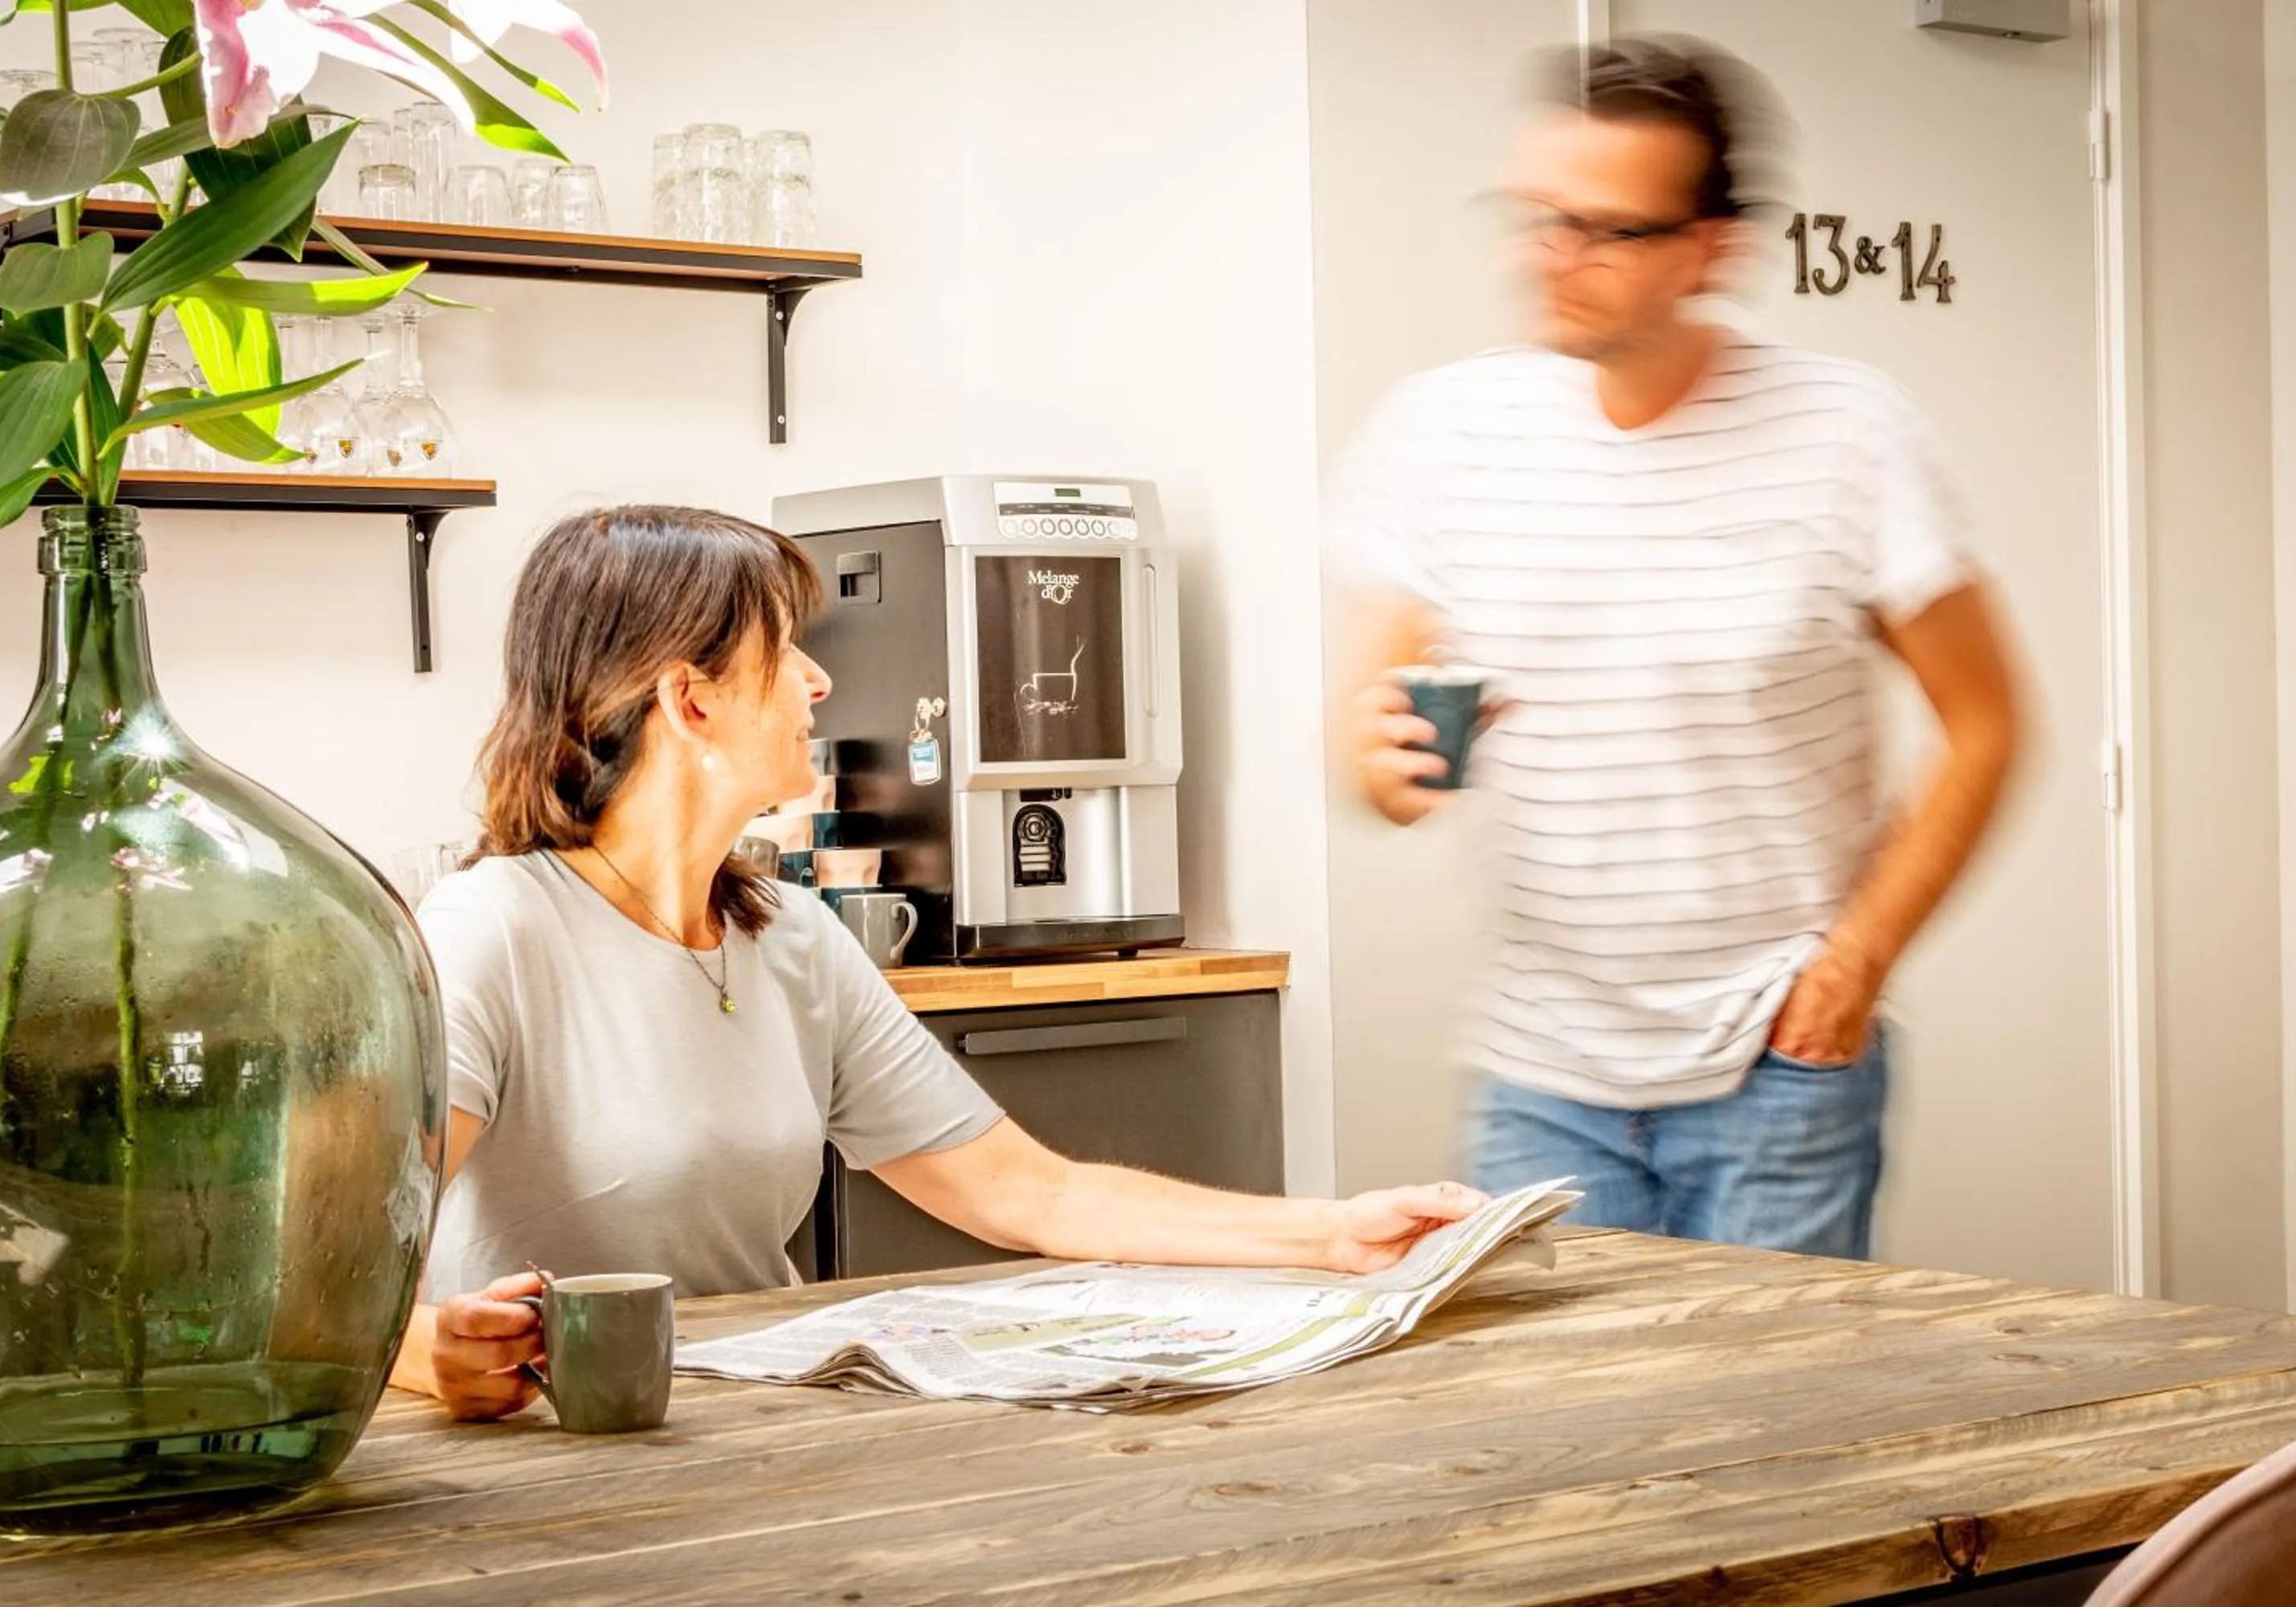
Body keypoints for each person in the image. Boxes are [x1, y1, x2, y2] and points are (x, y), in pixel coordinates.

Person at [392, 505, 1482, 1421]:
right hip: (565, 1445)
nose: (820, 683)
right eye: (788, 650)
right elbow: (321, 1260)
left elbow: (1030, 1194)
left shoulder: (793, 938)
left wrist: (1334, 1233)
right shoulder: (492, 932)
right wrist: (430, 1354)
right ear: (691, 700)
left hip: (756, 1419)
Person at [1334, 38, 2022, 1260]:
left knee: (1767, 1440)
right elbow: (1374, 752)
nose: (1555, 257)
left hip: (1779, 1060)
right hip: (1536, 1071)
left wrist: (1854, 967)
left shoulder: (1848, 435)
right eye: (1536, 218)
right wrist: (1386, 765)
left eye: (1606, 229)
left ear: (1713, 249)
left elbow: (1988, 724)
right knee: (1563, 1438)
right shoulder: (1441, 434)